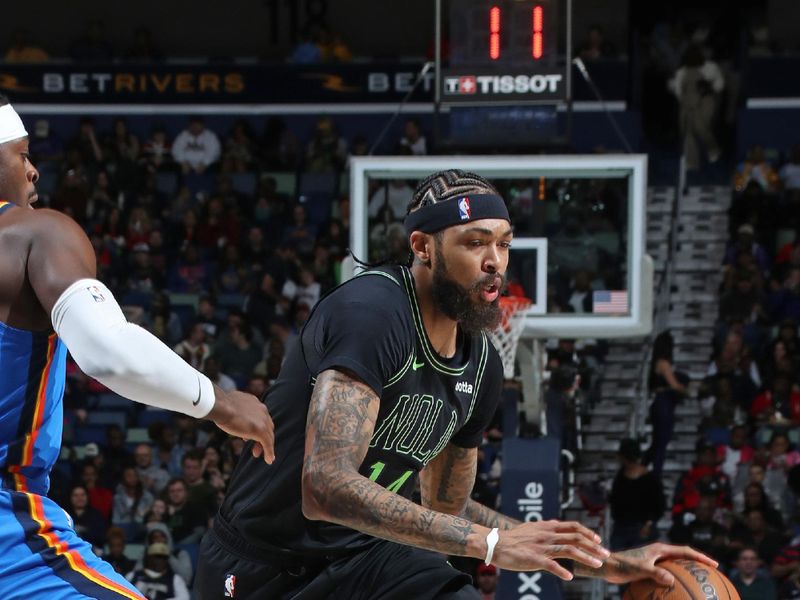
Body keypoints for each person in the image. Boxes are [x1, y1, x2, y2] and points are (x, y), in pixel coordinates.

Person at [196, 169, 716, 599]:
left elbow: (443, 508)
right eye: (475, 243)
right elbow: (325, 487)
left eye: (504, 245)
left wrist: (607, 564)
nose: (495, 263)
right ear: (423, 246)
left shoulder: (483, 366)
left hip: (369, 557)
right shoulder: (372, 313)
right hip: (265, 567)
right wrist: (490, 545)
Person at [0, 96, 274, 598]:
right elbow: (108, 352)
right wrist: (223, 403)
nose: (34, 170)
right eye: (22, 154)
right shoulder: (34, 233)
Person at [644, 331, 689, 474]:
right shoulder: (663, 363)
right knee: (661, 443)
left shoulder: (656, 363)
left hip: (661, 403)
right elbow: (675, 386)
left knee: (657, 443)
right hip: (663, 404)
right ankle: (656, 474)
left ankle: (643, 467)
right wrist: (684, 389)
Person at [608, 439, 665, 551]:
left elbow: (659, 504)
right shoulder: (620, 477)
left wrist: (649, 523)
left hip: (642, 527)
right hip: (621, 526)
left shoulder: (650, 479)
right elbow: (615, 500)